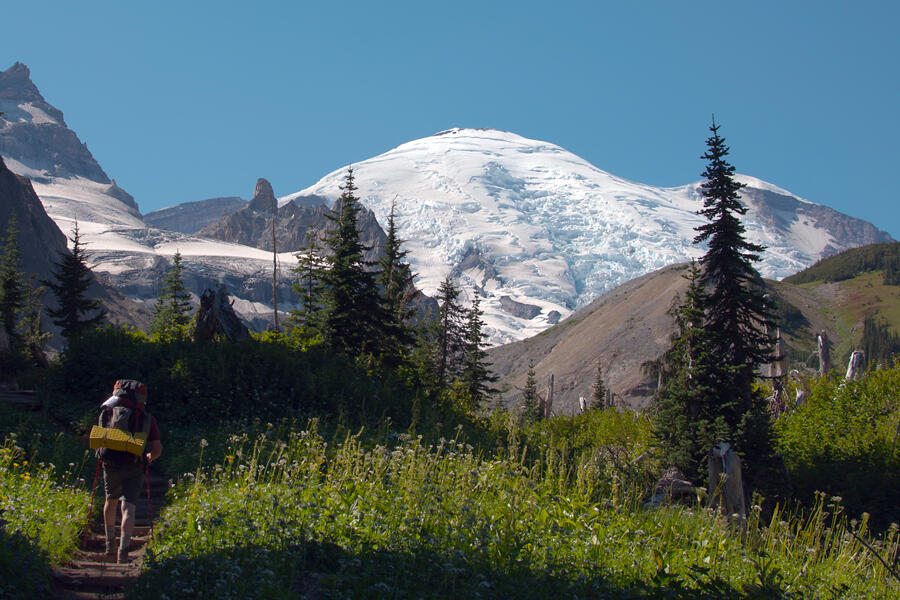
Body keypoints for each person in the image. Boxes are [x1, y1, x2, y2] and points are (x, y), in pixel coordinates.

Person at [97, 380, 162, 563]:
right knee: (129, 506)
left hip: (110, 463)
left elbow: (99, 441)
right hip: (135, 465)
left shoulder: (107, 412)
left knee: (110, 500)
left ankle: (110, 545)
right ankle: (123, 551)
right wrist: (149, 457)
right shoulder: (147, 418)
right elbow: (157, 449)